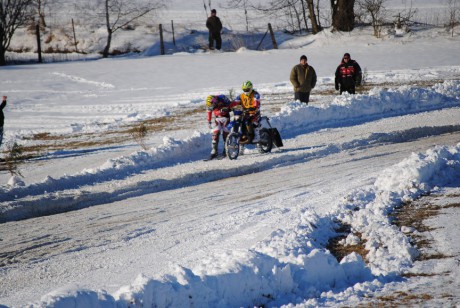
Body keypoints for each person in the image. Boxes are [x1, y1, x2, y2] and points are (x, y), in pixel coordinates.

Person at [206, 94, 232, 159]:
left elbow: (230, 105)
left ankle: (226, 149)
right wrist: (209, 121)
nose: (211, 106)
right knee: (215, 132)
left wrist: (228, 108)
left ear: (214, 101)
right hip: (217, 118)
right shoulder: (210, 104)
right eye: (210, 105)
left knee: (225, 132)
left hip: (226, 117)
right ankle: (214, 150)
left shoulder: (222, 97)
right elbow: (209, 112)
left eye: (212, 104)